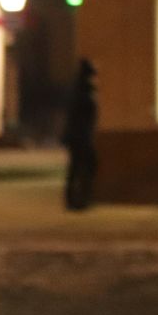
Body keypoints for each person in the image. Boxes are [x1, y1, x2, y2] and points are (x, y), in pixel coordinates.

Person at [62, 59, 98, 211]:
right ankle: (79, 199)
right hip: (80, 137)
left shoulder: (77, 90)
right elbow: (84, 118)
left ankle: (74, 199)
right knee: (82, 167)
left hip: (76, 136)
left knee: (76, 168)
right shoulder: (84, 93)